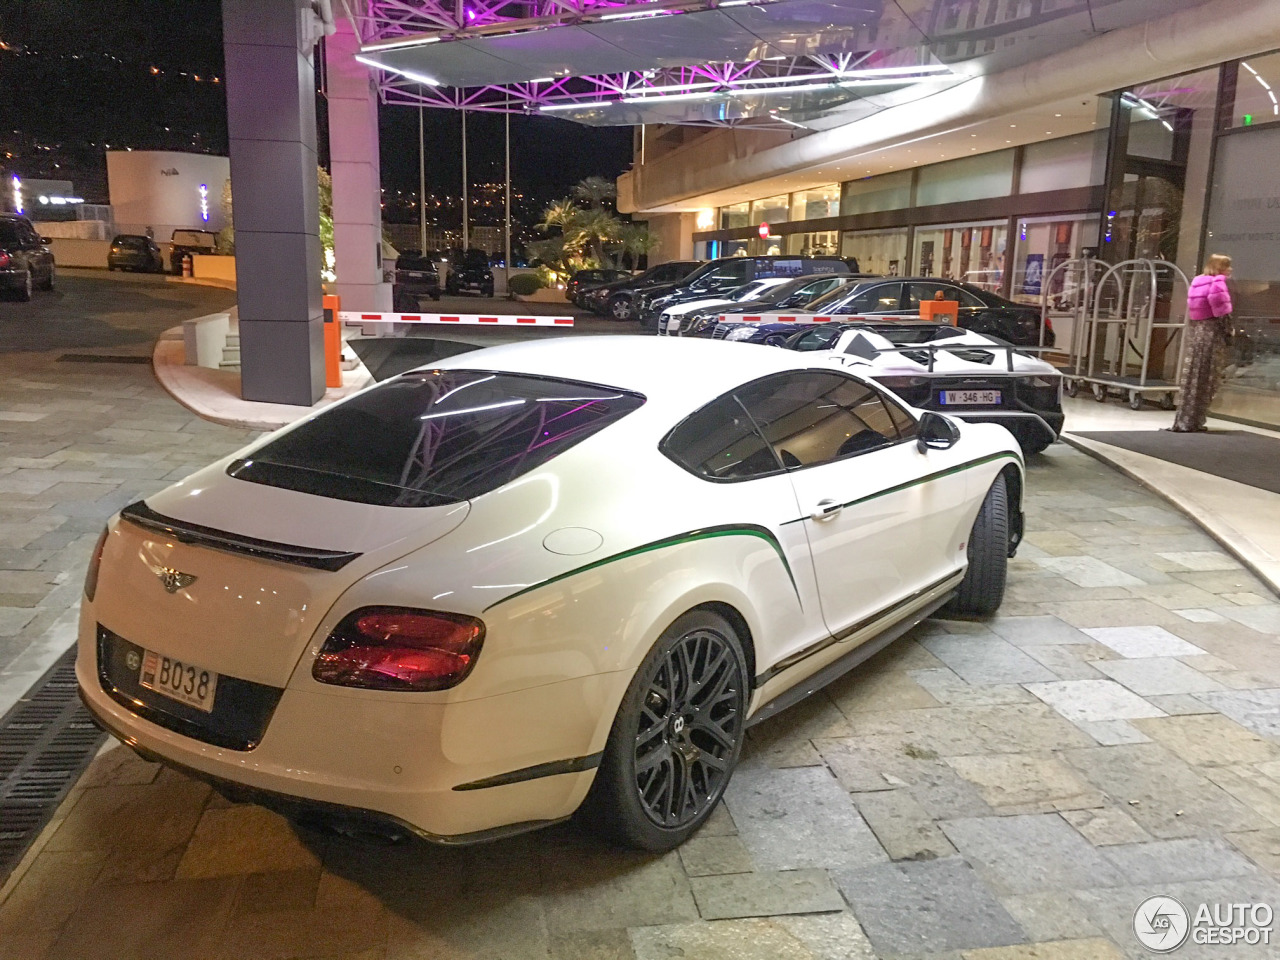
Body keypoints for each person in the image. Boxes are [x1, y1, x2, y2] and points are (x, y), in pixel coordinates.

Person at [1172, 253, 1233, 432]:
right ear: (1220, 268)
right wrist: (1230, 333)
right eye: (1227, 266)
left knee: (1193, 375)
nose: (1230, 270)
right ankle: (1196, 420)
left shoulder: (1198, 281)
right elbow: (1222, 314)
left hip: (1197, 332)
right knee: (1207, 378)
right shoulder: (1218, 283)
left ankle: (1185, 419)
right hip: (1212, 334)